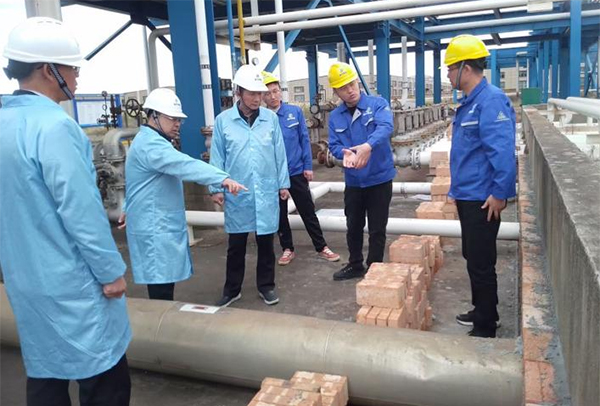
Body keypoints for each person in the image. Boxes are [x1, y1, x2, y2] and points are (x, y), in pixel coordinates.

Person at [0, 17, 131, 406]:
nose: (76, 77)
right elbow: (81, 212)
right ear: (48, 70)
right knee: (104, 377)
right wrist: (110, 272)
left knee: (46, 373)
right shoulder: (55, 126)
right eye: (72, 68)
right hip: (71, 282)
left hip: (24, 279)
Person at [122, 88, 245, 301]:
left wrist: (128, 207)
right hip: (154, 227)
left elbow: (137, 182)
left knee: (162, 281)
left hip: (155, 223)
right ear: (154, 116)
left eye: (179, 120)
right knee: (160, 287)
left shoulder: (150, 141)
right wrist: (222, 179)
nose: (177, 124)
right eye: (172, 119)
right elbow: (185, 165)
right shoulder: (152, 145)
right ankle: (161, 321)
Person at [445, 34, 516, 338]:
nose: (448, 74)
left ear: (466, 68)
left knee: (481, 262)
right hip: (469, 195)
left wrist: (500, 193)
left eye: (450, 68)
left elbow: (502, 152)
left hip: (483, 199)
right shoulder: (470, 103)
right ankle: (482, 310)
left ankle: (486, 325)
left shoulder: (491, 101)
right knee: (473, 257)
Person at [210, 65, 290, 307]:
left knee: (266, 242)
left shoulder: (270, 119)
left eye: (260, 93)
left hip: (266, 188)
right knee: (236, 244)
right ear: (238, 92)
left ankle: (266, 286)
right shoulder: (223, 121)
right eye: (252, 93)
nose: (258, 98)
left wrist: (283, 184)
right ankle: (232, 289)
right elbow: (217, 157)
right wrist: (216, 187)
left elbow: (279, 154)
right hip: (237, 191)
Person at [261, 71, 340, 266]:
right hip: (273, 175)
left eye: (275, 91)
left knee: (307, 211)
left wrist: (307, 166)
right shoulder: (261, 118)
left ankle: (321, 247)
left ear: (280, 92)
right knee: (280, 214)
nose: (273, 96)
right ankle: (287, 249)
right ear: (262, 97)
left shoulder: (294, 112)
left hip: (296, 171)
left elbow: (304, 140)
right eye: (268, 93)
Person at [327, 62, 396, 282]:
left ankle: (374, 268)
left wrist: (368, 146)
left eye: (352, 84)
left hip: (379, 178)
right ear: (336, 92)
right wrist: (344, 153)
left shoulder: (377, 104)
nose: (350, 90)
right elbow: (334, 145)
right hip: (354, 181)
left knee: (377, 228)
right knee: (353, 225)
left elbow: (386, 127)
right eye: (343, 87)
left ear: (357, 81)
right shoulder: (335, 116)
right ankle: (355, 264)